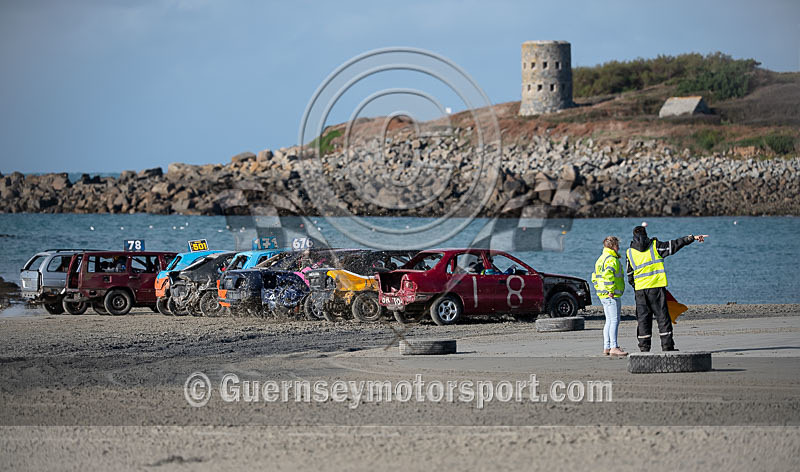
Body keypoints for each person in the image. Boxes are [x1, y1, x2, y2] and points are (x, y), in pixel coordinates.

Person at [626, 225, 707, 352]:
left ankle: (644, 348)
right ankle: (667, 347)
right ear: (646, 234)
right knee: (662, 318)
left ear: (633, 237)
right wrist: (691, 238)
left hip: (640, 291)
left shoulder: (629, 252)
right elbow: (674, 245)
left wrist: (636, 286)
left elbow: (629, 275)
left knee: (643, 320)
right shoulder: (655, 246)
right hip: (656, 289)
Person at [592, 236, 626, 356]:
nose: (619, 247)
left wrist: (598, 289)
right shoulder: (611, 259)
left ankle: (607, 346)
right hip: (611, 294)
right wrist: (610, 290)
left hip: (603, 294)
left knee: (609, 321)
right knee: (614, 320)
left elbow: (594, 277)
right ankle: (614, 347)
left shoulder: (600, 259)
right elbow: (608, 276)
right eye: (617, 245)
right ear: (613, 246)